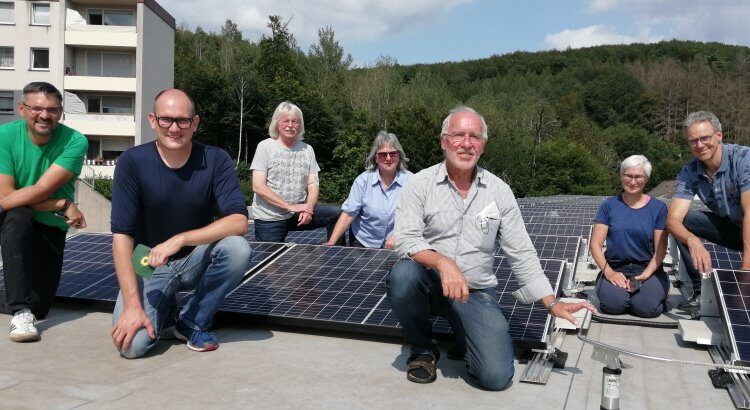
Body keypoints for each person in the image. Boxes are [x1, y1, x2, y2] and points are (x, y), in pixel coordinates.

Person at [387, 106, 595, 389]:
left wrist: (551, 302)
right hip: (428, 283)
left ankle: (465, 332)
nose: (466, 143)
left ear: (483, 146)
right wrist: (443, 263)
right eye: (458, 135)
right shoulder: (419, 184)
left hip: (474, 292)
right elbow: (406, 239)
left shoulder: (499, 191)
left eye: (475, 136)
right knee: (403, 276)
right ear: (444, 141)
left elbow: (520, 252)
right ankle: (423, 349)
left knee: (496, 378)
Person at [110, 89, 252, 358]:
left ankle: (192, 320)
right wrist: (132, 306)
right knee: (132, 346)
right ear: (152, 120)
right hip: (146, 261)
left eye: (182, 121)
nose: (174, 128)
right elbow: (121, 237)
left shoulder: (215, 159)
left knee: (237, 248)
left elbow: (239, 221)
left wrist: (181, 239)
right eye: (166, 120)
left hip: (195, 257)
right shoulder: (132, 162)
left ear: (195, 123)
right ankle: (166, 311)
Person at [0, 82, 88, 342]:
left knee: (40, 306)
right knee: (18, 217)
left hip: (49, 225)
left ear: (60, 112)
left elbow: (40, 189)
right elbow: (6, 197)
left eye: (52, 109)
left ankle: (26, 306)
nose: (44, 115)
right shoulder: (5, 136)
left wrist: (53, 205)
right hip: (12, 219)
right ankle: (19, 311)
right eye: (36, 108)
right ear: (21, 108)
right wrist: (61, 204)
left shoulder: (74, 141)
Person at [667, 111, 750, 311]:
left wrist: (746, 272)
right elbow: (673, 220)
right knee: (685, 223)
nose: (700, 145)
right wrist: (692, 240)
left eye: (705, 138)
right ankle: (700, 292)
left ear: (719, 135)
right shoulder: (690, 171)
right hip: (734, 229)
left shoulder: (743, 159)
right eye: (693, 141)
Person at [250, 101, 343, 244]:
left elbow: (312, 184)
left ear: (300, 126)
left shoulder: (308, 150)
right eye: (285, 121)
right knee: (272, 262)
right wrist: (289, 206)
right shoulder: (265, 147)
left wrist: (309, 209)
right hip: (270, 217)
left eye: (295, 122)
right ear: (277, 123)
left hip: (299, 212)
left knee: (337, 215)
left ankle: (335, 256)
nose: (290, 125)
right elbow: (258, 186)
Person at [590, 155, 669, 318]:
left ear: (646, 179)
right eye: (628, 176)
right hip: (615, 268)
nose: (633, 182)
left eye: (638, 176)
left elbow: (660, 250)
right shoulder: (608, 206)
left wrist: (644, 276)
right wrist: (610, 273)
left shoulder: (659, 208)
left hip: (648, 270)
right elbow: (595, 246)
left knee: (646, 309)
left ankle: (658, 290)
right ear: (621, 176)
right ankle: (607, 285)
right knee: (613, 306)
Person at [326, 132, 412, 248]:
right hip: (364, 243)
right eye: (382, 155)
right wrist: (331, 243)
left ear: (399, 156)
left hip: (397, 243)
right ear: (375, 158)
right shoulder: (363, 181)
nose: (388, 158)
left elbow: (417, 216)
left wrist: (398, 235)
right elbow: (348, 214)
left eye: (392, 154)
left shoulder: (411, 181)